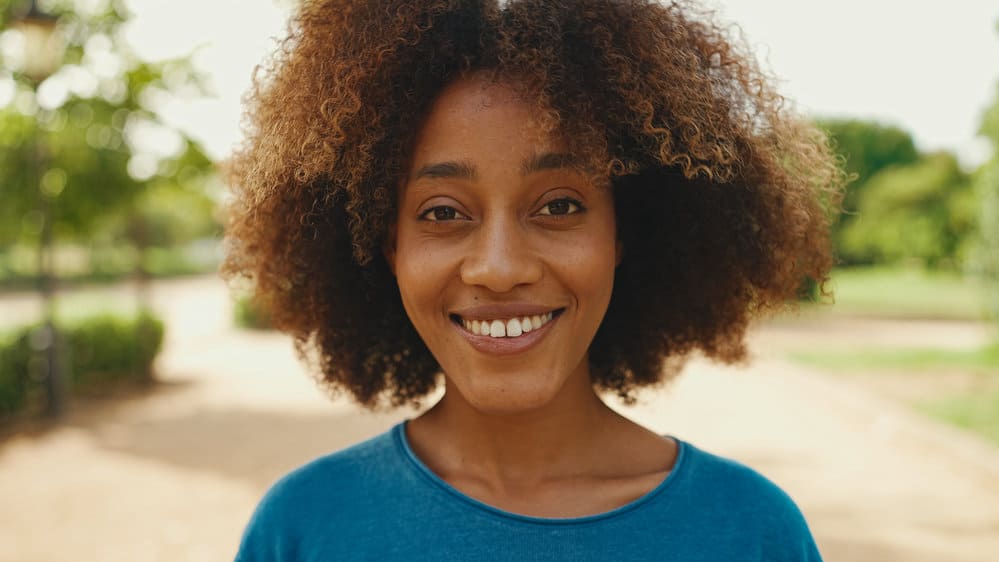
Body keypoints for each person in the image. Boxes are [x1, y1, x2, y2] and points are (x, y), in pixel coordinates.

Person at [225, 0, 842, 559]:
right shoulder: (304, 530)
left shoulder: (748, 533)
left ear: (625, 233)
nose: (499, 268)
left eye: (559, 206)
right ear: (389, 248)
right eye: (443, 212)